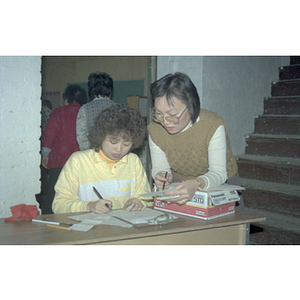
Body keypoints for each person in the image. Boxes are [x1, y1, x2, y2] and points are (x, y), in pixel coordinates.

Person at [148, 72, 244, 209]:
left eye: (172, 115)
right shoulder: (155, 130)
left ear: (191, 106)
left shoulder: (212, 126)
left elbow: (218, 173)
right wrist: (161, 176)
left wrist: (196, 184)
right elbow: (161, 168)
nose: (165, 121)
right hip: (181, 182)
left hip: (221, 183)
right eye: (158, 113)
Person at [52, 104, 152, 214]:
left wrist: (139, 203)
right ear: (101, 136)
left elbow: (148, 200)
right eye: (113, 142)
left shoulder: (133, 161)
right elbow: (59, 205)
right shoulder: (78, 161)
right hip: (90, 229)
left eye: (127, 144)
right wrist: (88, 206)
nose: (119, 149)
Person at [41, 84, 88, 214]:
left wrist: (45, 154)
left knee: (54, 194)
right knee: (78, 196)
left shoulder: (58, 112)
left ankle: (47, 224)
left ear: (66, 98)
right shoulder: (86, 112)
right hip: (81, 163)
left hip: (59, 160)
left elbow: (49, 134)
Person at [76, 72, 116, 150]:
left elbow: (81, 135)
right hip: (113, 152)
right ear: (110, 90)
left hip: (92, 153)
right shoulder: (118, 108)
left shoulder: (85, 109)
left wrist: (87, 150)